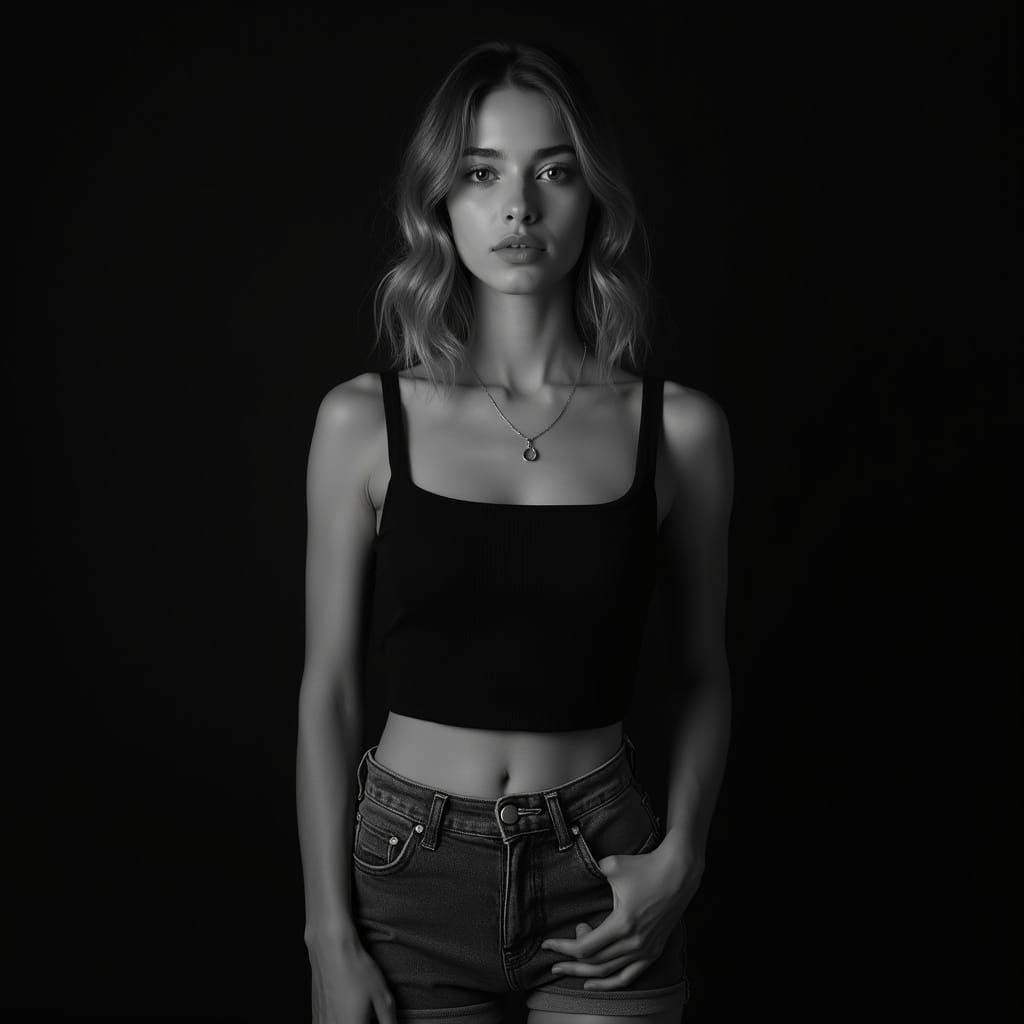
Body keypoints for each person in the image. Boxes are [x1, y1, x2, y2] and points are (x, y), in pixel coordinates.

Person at [296, 40, 733, 1024]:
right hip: (407, 870)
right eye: (481, 172)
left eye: (555, 171)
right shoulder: (361, 421)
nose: (518, 209)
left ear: (596, 195)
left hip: (604, 863)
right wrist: (327, 932)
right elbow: (326, 687)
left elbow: (705, 668)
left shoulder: (683, 432)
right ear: (440, 201)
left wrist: (683, 857)